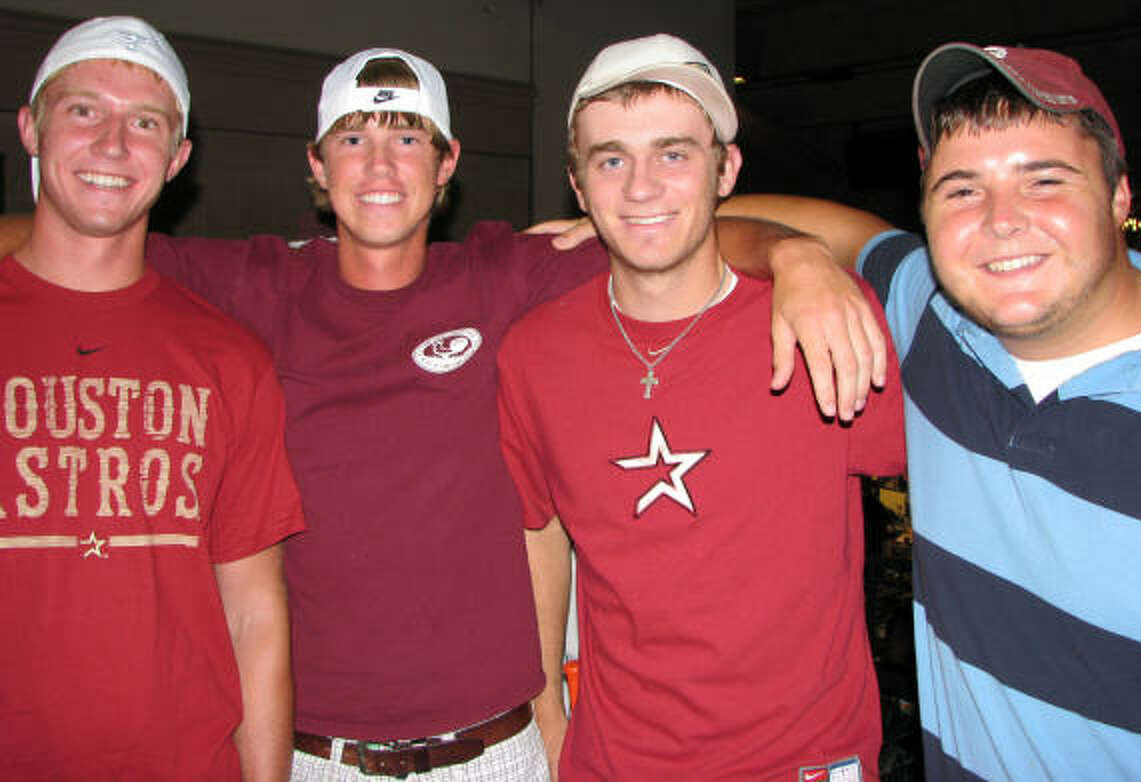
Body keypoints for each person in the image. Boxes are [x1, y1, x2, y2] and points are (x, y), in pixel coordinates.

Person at [0, 42, 894, 779]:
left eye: (410, 138)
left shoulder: (510, 274)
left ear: (449, 164)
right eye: (353, 139)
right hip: (315, 756)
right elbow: (68, 234)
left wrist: (799, 256)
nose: (381, 166)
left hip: (495, 753)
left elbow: (675, 226)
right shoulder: (248, 284)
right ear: (316, 165)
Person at [722, 43, 1141, 780]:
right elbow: (774, 221)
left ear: (1119, 196)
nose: (1001, 221)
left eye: (1044, 180)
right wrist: (797, 258)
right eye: (962, 190)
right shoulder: (932, 315)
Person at [497, 33, 906, 781]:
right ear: (579, 187)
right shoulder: (534, 352)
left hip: (804, 761)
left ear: (728, 169)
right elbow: (540, 524)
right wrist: (547, 709)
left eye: (675, 154)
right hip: (617, 763)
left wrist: (798, 251)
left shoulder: (828, 319)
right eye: (611, 159)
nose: (642, 187)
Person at [0, 16, 305, 781]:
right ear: (30, 128)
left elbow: (254, 614)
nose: (112, 145)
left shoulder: (230, 357)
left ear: (177, 158)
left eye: (145, 123)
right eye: (83, 111)